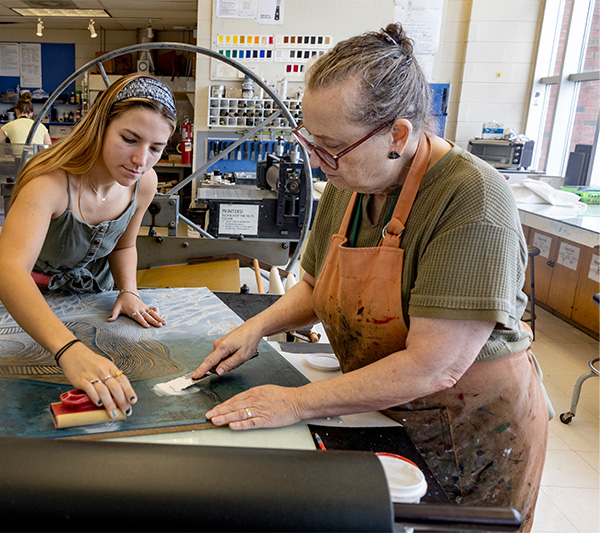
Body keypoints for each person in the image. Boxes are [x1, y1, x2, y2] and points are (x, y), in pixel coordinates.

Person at [194, 24, 548, 531]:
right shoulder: (349, 180)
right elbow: (317, 288)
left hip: (466, 428)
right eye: (311, 141)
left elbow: (434, 367)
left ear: (397, 136)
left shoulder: (472, 199)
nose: (318, 162)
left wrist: (293, 401)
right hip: (382, 406)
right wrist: (255, 329)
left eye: (331, 145)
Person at [0, 74, 176, 420]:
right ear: (100, 125)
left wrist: (129, 291)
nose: (141, 160)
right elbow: (7, 273)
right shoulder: (49, 181)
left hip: (97, 304)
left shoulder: (144, 183)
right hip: (33, 309)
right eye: (129, 139)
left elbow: (124, 246)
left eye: (156, 148)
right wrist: (68, 349)